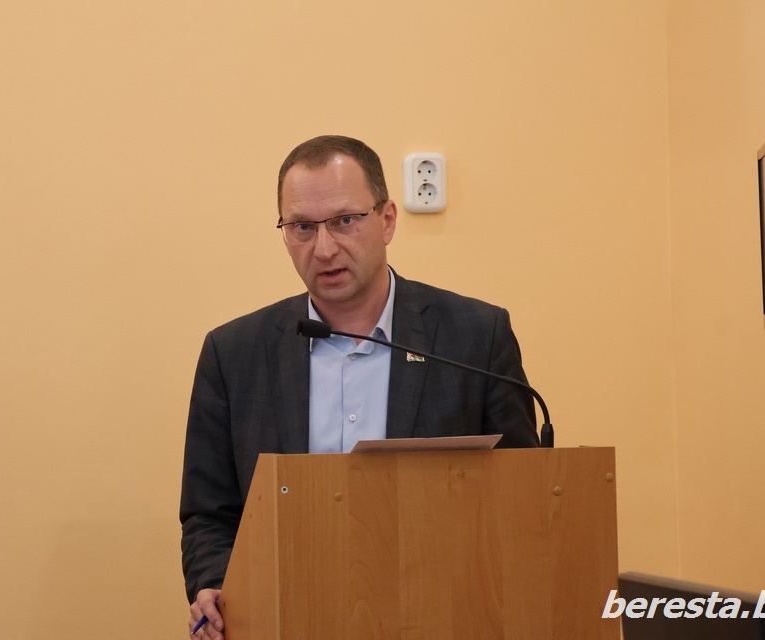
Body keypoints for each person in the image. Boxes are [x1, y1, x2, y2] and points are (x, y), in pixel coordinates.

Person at [180, 135, 539, 638]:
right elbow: (208, 513)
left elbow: (521, 498)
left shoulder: (475, 337)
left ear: (387, 219)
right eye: (302, 227)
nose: (324, 248)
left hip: (443, 616)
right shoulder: (233, 353)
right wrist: (215, 586)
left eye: (345, 220)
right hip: (287, 616)